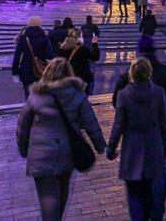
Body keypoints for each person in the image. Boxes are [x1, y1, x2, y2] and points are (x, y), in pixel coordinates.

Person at [17, 57, 107, 221]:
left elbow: (23, 127)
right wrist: (100, 146)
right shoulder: (78, 95)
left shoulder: (36, 96)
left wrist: (23, 150)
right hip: (66, 152)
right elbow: (91, 124)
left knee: (47, 196)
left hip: (40, 155)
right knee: (63, 190)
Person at [108, 57, 166, 221]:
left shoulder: (124, 95)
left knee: (135, 195)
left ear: (132, 74)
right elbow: (164, 122)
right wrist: (165, 143)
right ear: (149, 72)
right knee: (153, 189)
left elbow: (118, 125)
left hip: (132, 150)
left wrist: (111, 148)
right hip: (154, 146)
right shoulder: (158, 92)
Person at [12, 17, 55, 99]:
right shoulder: (44, 37)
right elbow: (49, 56)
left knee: (28, 93)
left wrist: (15, 72)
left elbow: (17, 56)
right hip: (41, 70)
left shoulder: (23, 38)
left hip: (26, 69)